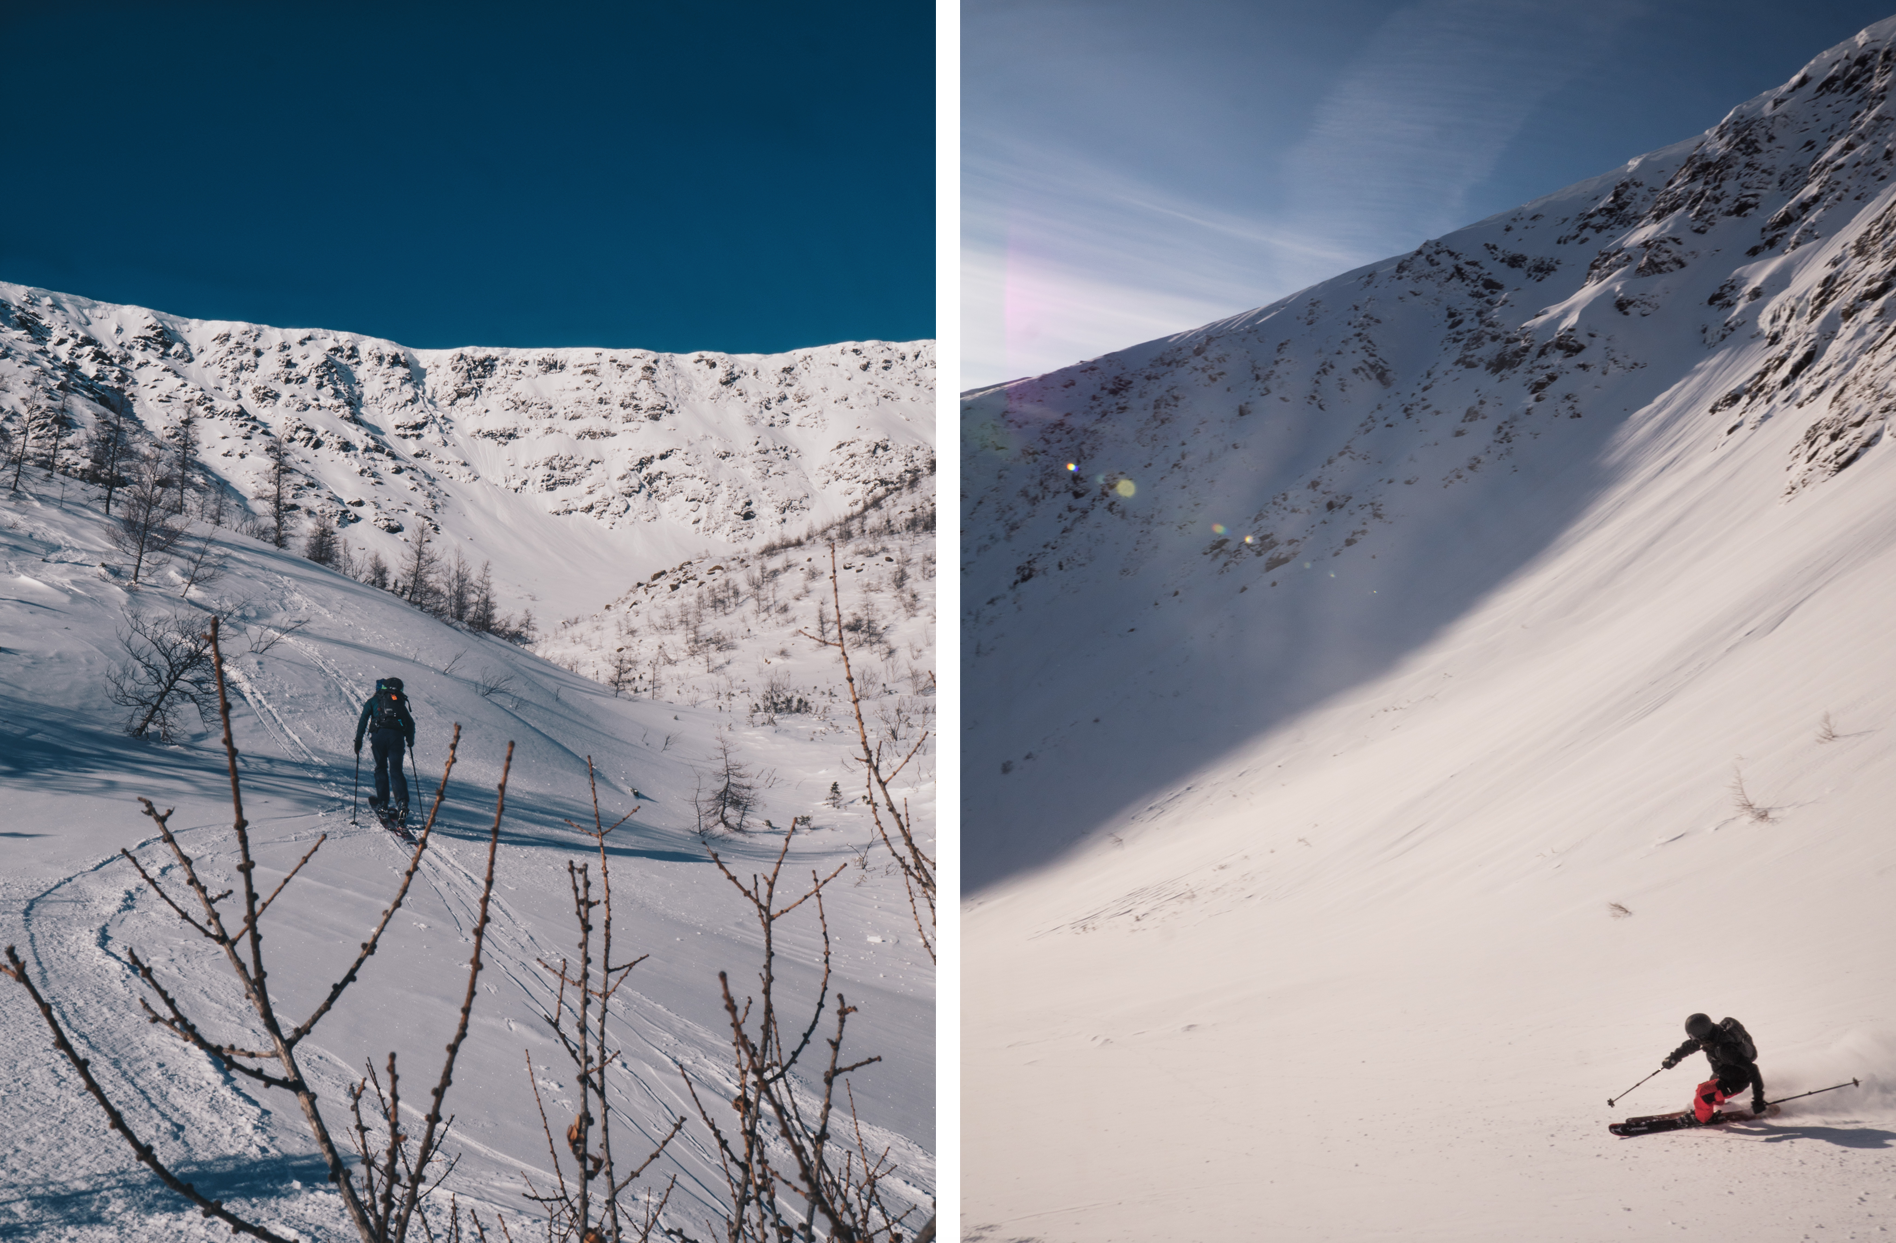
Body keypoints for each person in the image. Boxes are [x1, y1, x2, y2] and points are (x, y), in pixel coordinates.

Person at [1663, 1012, 1766, 1122]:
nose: (1692, 1039)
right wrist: (1674, 1057)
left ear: (1702, 1035)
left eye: (1692, 1036)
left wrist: (1758, 1100)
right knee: (1710, 1084)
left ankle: (1701, 1119)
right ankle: (1716, 1106)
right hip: (1725, 1074)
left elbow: (1752, 1069)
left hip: (1735, 1083)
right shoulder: (1712, 1035)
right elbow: (1691, 1045)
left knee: (1702, 1093)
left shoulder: (1725, 1049)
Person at [354, 676, 416, 825]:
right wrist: (409, 740)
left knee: (381, 768)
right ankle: (402, 802)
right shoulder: (399, 701)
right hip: (396, 738)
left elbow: (363, 720)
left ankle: (383, 804)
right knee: (396, 770)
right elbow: (410, 724)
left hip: (379, 736)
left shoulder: (373, 701)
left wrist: (358, 740)